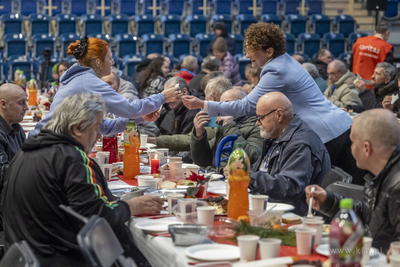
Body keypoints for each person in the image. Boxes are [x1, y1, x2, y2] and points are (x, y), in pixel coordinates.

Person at [2, 93, 164, 266]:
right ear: (78, 128)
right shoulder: (72, 158)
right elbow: (98, 219)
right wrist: (133, 205)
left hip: (27, 254)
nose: (99, 136)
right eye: (97, 127)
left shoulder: (25, 152)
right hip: (58, 257)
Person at [182, 22, 354, 179]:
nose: (247, 54)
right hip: (337, 127)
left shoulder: (275, 70)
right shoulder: (284, 62)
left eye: (251, 49)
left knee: (333, 189)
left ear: (269, 51)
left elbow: (247, 106)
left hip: (329, 133)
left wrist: (202, 104)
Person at [30, 37, 178, 137]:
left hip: (45, 143)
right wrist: (163, 96)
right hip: (45, 147)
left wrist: (140, 118)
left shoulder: (80, 79)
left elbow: (103, 127)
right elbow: (131, 108)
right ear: (98, 62)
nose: (112, 62)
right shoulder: (87, 80)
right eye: (110, 58)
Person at [305, 109, 400, 253]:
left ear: (366, 148)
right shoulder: (377, 174)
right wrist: (328, 201)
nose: (351, 148)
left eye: (353, 142)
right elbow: (372, 218)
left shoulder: (396, 186)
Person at [224, 92, 330, 215]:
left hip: (291, 215)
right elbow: (262, 171)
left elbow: (290, 187)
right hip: (269, 206)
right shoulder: (275, 136)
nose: (257, 123)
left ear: (279, 115)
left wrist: (247, 176)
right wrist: (240, 171)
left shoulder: (300, 143)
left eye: (260, 117)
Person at [148, 72, 226, 154]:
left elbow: (189, 143)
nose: (167, 100)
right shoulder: (175, 109)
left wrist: (199, 134)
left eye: (171, 94)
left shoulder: (198, 112)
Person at [191, 87, 263, 171]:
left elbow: (252, 159)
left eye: (228, 103)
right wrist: (199, 134)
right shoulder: (222, 125)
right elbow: (202, 160)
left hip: (234, 178)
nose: (223, 108)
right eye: (221, 105)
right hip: (215, 174)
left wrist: (230, 126)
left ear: (242, 105)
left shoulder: (256, 126)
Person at [101, 71, 159, 136]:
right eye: (103, 84)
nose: (106, 87)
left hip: (144, 135)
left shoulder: (126, 98)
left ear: (118, 83)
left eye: (109, 83)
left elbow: (114, 128)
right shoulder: (105, 98)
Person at [0, 84, 28, 196]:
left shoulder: (17, 127)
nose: (26, 108)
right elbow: (2, 175)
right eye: (21, 103)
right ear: (3, 104)